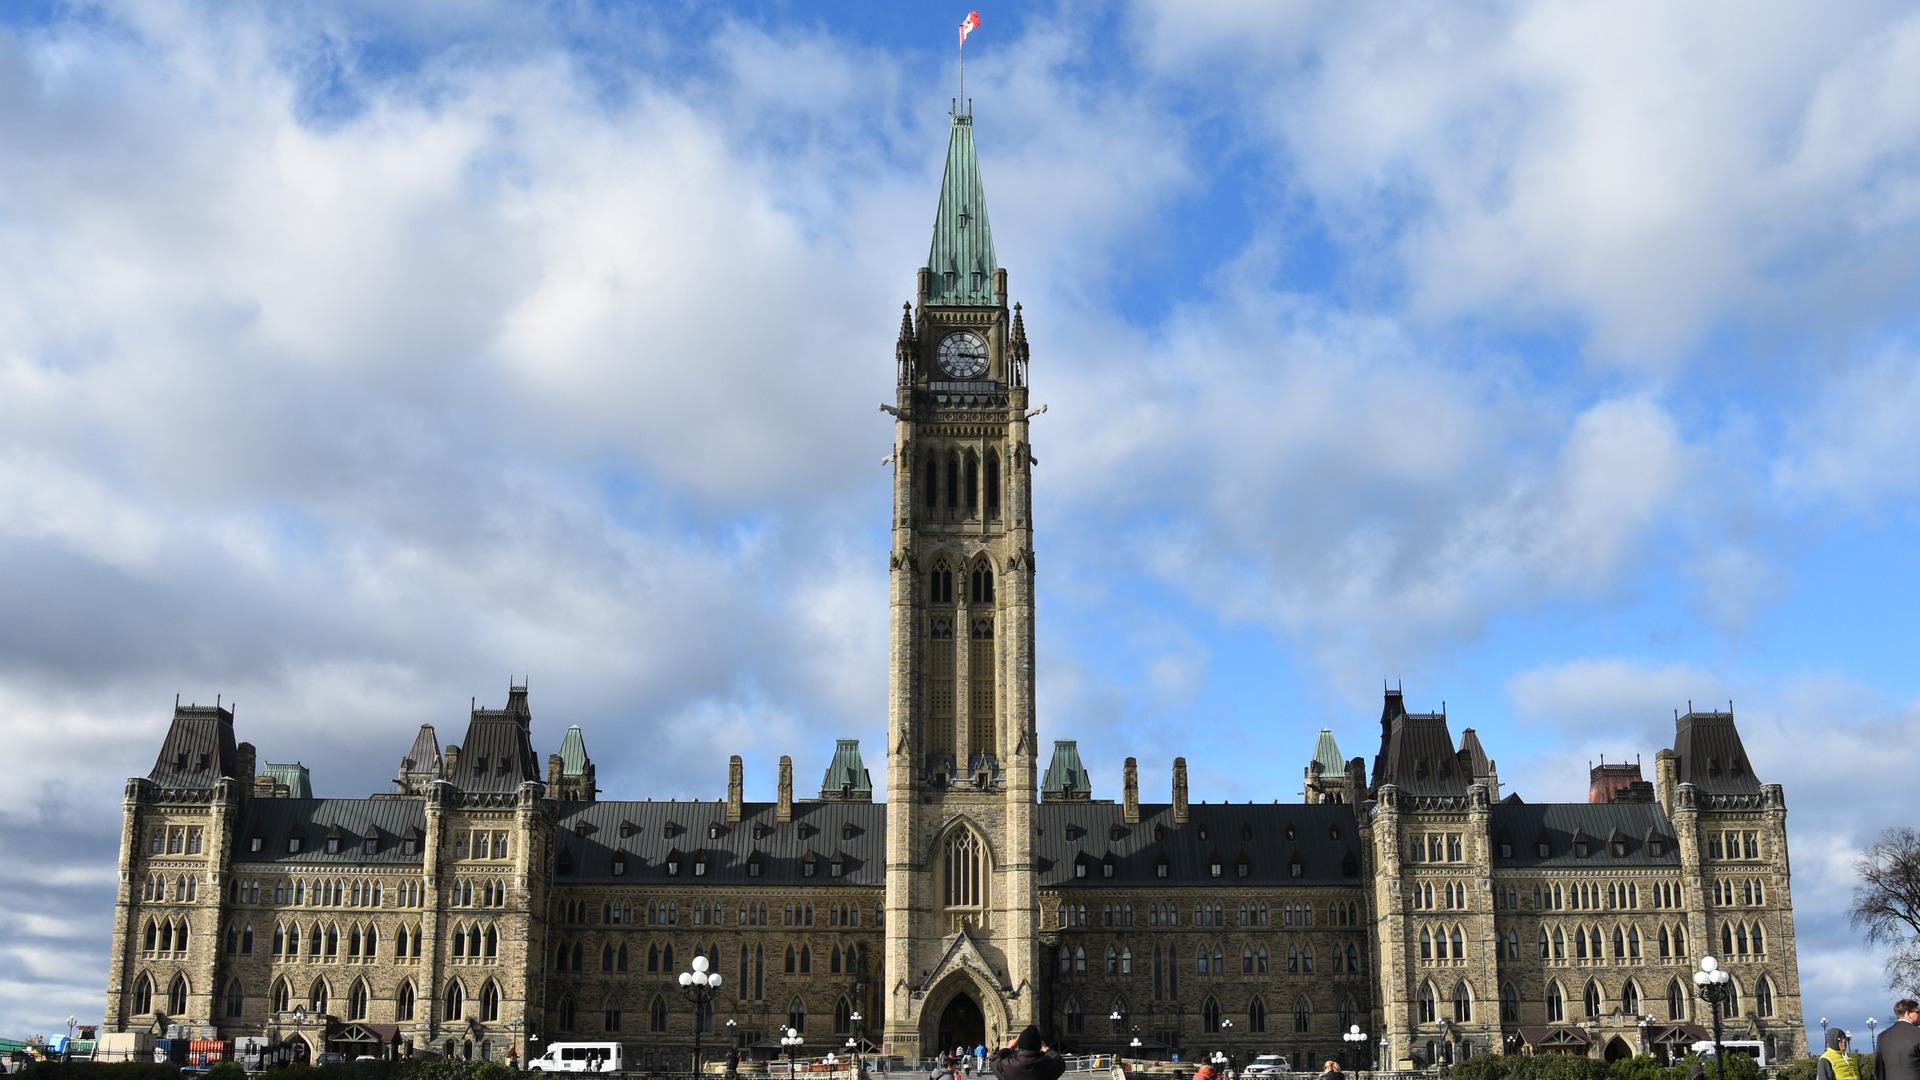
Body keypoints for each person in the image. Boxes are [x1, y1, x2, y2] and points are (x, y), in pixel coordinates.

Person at [992, 1027, 1066, 1080]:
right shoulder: (1048, 1066)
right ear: (1040, 1045)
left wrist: (1009, 1047)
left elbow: (994, 1059)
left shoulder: (1007, 1066)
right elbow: (1060, 1062)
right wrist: (1046, 1049)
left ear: (1019, 1044)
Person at [1880, 1001, 1920, 1080]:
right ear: (1908, 1014)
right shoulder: (1918, 1033)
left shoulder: (1882, 1036)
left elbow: (1879, 1069)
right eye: (1918, 1012)